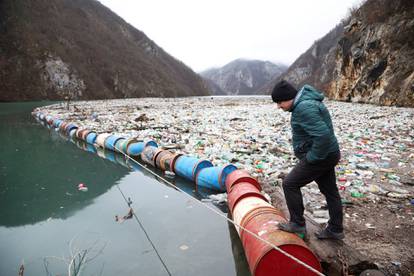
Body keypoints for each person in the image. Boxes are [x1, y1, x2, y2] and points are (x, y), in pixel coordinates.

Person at [271, 80, 344, 240]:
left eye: (279, 102)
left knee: (289, 184)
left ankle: (297, 224)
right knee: (330, 191)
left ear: (288, 97)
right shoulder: (305, 103)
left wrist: (311, 158)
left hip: (320, 156)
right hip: (329, 153)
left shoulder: (303, 108)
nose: (278, 106)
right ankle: (335, 229)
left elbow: (323, 136)